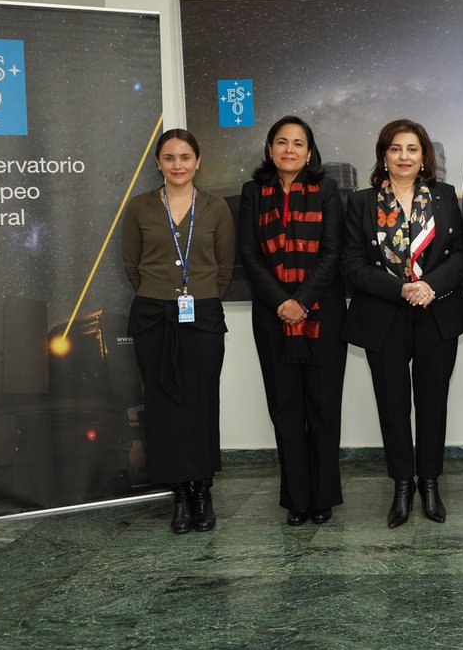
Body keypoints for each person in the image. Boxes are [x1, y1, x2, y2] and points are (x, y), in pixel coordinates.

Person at [342, 119, 463, 528]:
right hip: (383, 315)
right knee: (393, 404)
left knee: (433, 402)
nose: (404, 157)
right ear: (384, 155)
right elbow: (351, 263)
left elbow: (462, 254)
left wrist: (429, 285)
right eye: (396, 149)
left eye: (412, 149)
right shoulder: (362, 202)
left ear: (424, 157)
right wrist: (399, 289)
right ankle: (402, 485)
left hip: (437, 311)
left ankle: (430, 483)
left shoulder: (445, 196)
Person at [122, 128, 235, 534]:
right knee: (165, 405)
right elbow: (132, 265)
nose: (178, 165)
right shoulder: (138, 208)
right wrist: (160, 295)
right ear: (158, 163)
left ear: (198, 161)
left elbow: (224, 267)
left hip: (201, 317)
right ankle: (180, 497)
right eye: (169, 158)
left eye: (185, 157)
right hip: (154, 318)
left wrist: (200, 295)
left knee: (201, 403)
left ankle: (202, 490)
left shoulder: (216, 207)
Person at [238, 115, 347, 526]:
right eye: (281, 142)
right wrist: (282, 302)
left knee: (322, 408)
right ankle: (296, 499)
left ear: (309, 151)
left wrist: (300, 300)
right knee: (285, 408)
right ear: (270, 149)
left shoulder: (328, 189)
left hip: (322, 314)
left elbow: (332, 252)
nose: (289, 149)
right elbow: (249, 254)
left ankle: (323, 497)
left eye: (298, 143)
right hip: (272, 316)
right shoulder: (254, 192)